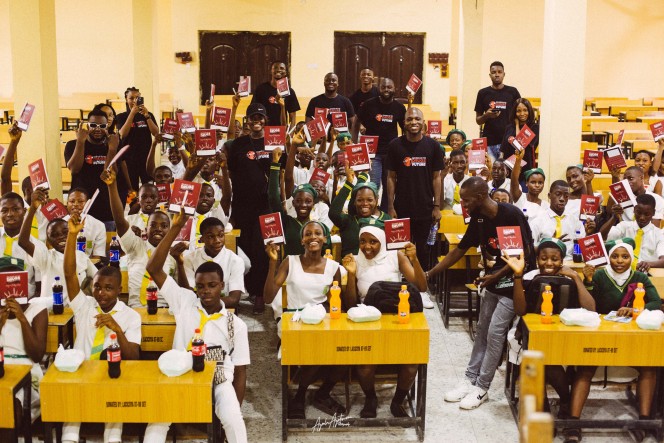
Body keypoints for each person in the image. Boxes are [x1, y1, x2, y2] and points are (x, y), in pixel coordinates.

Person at [429, 177, 536, 409]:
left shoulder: (509, 214)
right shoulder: (478, 218)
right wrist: (431, 273)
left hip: (516, 281)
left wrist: (493, 277)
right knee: (482, 331)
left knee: (496, 333)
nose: (463, 205)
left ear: (479, 198)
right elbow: (459, 249)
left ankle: (482, 387)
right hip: (495, 277)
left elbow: (521, 256)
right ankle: (469, 379)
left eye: (466, 200)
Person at [143, 210, 250, 443]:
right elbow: (153, 269)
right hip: (180, 371)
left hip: (218, 376)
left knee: (234, 421)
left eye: (212, 285)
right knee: (157, 421)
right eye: (201, 286)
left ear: (222, 285)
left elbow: (240, 372)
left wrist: (234, 409)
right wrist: (174, 229)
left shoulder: (236, 324)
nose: (206, 291)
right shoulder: (184, 301)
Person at [566, 238, 661, 443]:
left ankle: (643, 423)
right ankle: (574, 424)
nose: (619, 261)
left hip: (630, 338)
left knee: (649, 366)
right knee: (585, 368)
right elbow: (589, 306)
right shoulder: (600, 275)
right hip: (601, 335)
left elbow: (655, 301)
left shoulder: (639, 277)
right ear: (608, 258)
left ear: (631, 258)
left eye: (625, 256)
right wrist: (588, 281)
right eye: (615, 256)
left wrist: (637, 309)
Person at [61, 213, 141, 443]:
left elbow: (133, 357)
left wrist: (116, 328)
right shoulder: (85, 305)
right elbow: (68, 274)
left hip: (112, 375)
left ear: (119, 289)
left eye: (108, 288)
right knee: (69, 429)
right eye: (97, 287)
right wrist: (72, 235)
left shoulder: (130, 316)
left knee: (113, 427)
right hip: (81, 372)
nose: (101, 293)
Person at [263, 220, 348, 420]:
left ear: (325, 239)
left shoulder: (334, 267)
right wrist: (272, 262)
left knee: (346, 350)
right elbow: (268, 298)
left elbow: (334, 301)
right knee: (317, 349)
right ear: (302, 240)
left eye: (318, 233)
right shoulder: (290, 262)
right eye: (308, 234)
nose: (313, 237)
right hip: (294, 320)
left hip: (321, 320)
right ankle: (300, 396)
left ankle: (323, 393)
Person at [502, 239, 595, 420]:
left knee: (548, 357)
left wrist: (576, 277)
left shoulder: (569, 278)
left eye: (554, 259)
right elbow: (520, 311)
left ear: (562, 261)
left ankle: (564, 401)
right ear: (537, 260)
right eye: (544, 258)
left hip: (562, 333)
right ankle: (557, 402)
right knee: (542, 357)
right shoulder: (528, 277)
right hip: (528, 333)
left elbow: (590, 309)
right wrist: (518, 276)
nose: (549, 263)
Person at [342, 220, 427, 418]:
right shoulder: (354, 260)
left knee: (411, 362)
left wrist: (415, 260)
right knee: (365, 364)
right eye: (362, 241)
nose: (367, 246)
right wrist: (352, 275)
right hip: (368, 319)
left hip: (398, 317)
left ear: (382, 242)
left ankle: (398, 401)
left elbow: (421, 287)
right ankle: (370, 398)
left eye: (373, 242)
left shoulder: (395, 256)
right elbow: (351, 304)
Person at [226, 102, 286, 314]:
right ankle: (247, 291)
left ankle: (260, 293)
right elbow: (231, 174)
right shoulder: (239, 144)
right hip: (242, 205)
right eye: (253, 118)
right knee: (245, 249)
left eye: (260, 118)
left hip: (266, 205)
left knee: (263, 249)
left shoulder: (274, 143)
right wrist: (232, 208)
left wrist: (282, 202)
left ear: (265, 121)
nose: (257, 121)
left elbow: (281, 176)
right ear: (248, 121)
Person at [102, 167, 176, 308]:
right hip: (136, 309)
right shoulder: (136, 246)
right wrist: (112, 186)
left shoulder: (173, 253)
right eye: (153, 225)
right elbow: (119, 220)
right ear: (146, 229)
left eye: (163, 226)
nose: (158, 229)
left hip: (165, 309)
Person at [386, 107, 443, 272]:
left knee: (423, 250)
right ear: (404, 123)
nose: (413, 122)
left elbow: (436, 177)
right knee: (398, 249)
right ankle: (398, 281)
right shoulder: (394, 145)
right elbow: (391, 177)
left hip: (425, 208)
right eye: (410, 119)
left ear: (423, 123)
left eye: (417, 119)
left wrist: (437, 206)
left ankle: (422, 283)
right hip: (401, 207)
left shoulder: (433, 146)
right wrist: (390, 206)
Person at [19, 188, 97, 302]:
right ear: (49, 241)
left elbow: (97, 278)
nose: (60, 237)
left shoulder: (81, 256)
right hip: (52, 311)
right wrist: (33, 208)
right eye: (54, 235)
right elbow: (23, 242)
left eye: (65, 232)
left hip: (78, 310)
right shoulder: (46, 257)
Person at [0, 259, 47, 430]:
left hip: (27, 370)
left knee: (10, 405)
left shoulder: (37, 310)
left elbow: (37, 355)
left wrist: (22, 318)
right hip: (2, 368)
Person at [64, 109, 129, 229]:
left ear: (107, 126)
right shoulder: (73, 144)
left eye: (102, 126)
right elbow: (74, 169)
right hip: (82, 210)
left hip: (107, 210)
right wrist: (80, 142)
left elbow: (110, 174)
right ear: (87, 126)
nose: (97, 129)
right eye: (93, 125)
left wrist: (112, 149)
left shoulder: (113, 146)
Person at [352, 78, 407, 209]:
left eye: (389, 87)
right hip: (372, 153)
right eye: (384, 87)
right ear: (379, 89)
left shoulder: (399, 108)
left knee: (389, 187)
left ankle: (385, 213)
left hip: (391, 154)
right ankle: (372, 213)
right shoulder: (368, 104)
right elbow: (356, 122)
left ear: (394, 89)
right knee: (374, 185)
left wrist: (404, 148)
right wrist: (354, 143)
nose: (386, 90)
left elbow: (405, 129)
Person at [181, 217, 245, 309]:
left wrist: (204, 303)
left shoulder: (235, 261)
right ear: (202, 239)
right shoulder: (189, 259)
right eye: (211, 236)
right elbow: (188, 294)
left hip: (223, 309)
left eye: (221, 235)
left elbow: (234, 299)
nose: (217, 241)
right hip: (195, 310)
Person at [330, 166, 392, 257]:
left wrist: (363, 174)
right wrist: (348, 183)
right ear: (354, 202)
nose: (365, 203)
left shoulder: (386, 219)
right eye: (360, 200)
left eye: (369, 200)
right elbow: (333, 213)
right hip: (351, 267)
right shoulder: (349, 220)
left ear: (376, 200)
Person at [602, 193, 664, 271]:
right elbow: (602, 237)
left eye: (647, 214)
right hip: (622, 271)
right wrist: (614, 217)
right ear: (634, 210)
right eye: (638, 213)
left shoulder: (659, 234)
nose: (642, 217)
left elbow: (663, 260)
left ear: (654, 213)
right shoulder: (623, 226)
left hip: (647, 273)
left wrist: (648, 264)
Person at [474, 61, 521, 161]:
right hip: (489, 142)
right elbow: (478, 120)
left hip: (509, 142)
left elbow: (519, 115)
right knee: (490, 172)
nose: (497, 74)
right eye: (494, 72)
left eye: (499, 72)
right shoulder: (483, 93)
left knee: (506, 172)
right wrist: (486, 115)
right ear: (490, 75)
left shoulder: (513, 92)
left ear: (504, 74)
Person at [529, 180, 586, 260]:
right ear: (549, 196)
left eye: (566, 196)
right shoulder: (537, 221)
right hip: (547, 265)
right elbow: (530, 250)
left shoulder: (576, 222)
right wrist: (549, 244)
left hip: (570, 263)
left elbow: (582, 248)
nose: (562, 199)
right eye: (558, 194)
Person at [115, 86, 160, 188]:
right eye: (131, 98)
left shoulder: (148, 115)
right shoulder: (121, 117)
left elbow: (156, 133)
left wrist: (147, 116)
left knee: (149, 187)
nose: (134, 101)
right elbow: (122, 134)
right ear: (126, 100)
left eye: (137, 98)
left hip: (146, 158)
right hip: (129, 159)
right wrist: (132, 114)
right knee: (132, 190)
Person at [251, 61, 300, 130]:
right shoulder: (261, 89)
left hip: (280, 130)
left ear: (285, 72)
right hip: (263, 130)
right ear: (271, 71)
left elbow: (293, 118)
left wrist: (290, 135)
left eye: (282, 68)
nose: (279, 70)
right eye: (275, 68)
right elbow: (254, 110)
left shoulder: (290, 92)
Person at [499, 98, 539, 181]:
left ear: (529, 111)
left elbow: (519, 144)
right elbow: (503, 150)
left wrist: (517, 125)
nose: (522, 113)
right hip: (508, 168)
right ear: (514, 112)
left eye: (525, 110)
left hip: (524, 169)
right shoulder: (509, 127)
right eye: (518, 111)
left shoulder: (534, 127)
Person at [66, 187, 107, 260]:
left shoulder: (98, 225)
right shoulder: (59, 223)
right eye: (72, 201)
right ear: (67, 203)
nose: (75, 204)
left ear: (88, 204)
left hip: (88, 265)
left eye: (80, 201)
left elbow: (97, 257)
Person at [510, 150, 548, 221]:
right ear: (526, 183)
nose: (537, 185)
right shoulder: (520, 197)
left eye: (540, 183)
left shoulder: (546, 205)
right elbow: (514, 179)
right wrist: (518, 160)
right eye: (533, 182)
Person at [441, 149, 470, 215]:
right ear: (450, 164)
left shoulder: (470, 181)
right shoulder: (445, 179)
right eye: (455, 163)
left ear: (466, 163)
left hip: (465, 214)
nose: (459, 166)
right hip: (448, 214)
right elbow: (440, 206)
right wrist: (441, 178)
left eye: (462, 162)